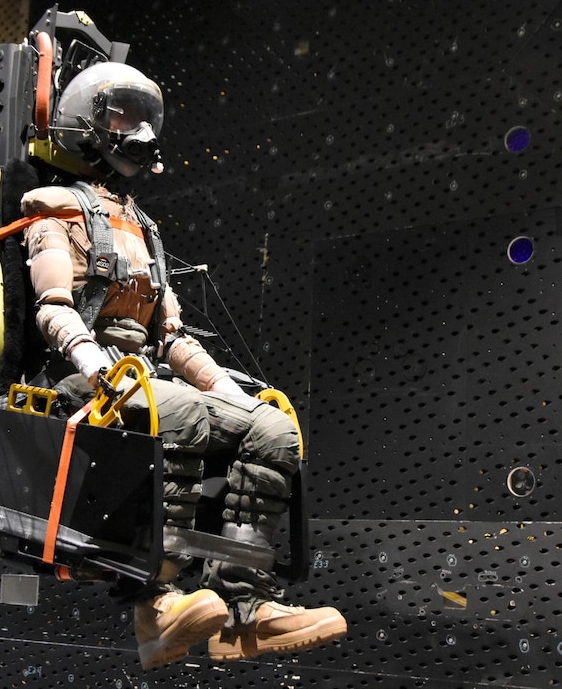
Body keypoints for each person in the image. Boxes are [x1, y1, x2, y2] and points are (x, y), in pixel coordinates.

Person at [21, 60, 346, 669]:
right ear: (85, 123)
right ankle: (156, 603)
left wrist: (230, 392)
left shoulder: (143, 230)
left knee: (272, 428)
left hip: (142, 375)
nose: (141, 132)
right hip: (75, 376)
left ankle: (244, 607)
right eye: (124, 117)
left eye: (147, 119)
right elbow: (53, 309)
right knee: (179, 411)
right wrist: (97, 367)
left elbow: (171, 337)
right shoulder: (55, 210)